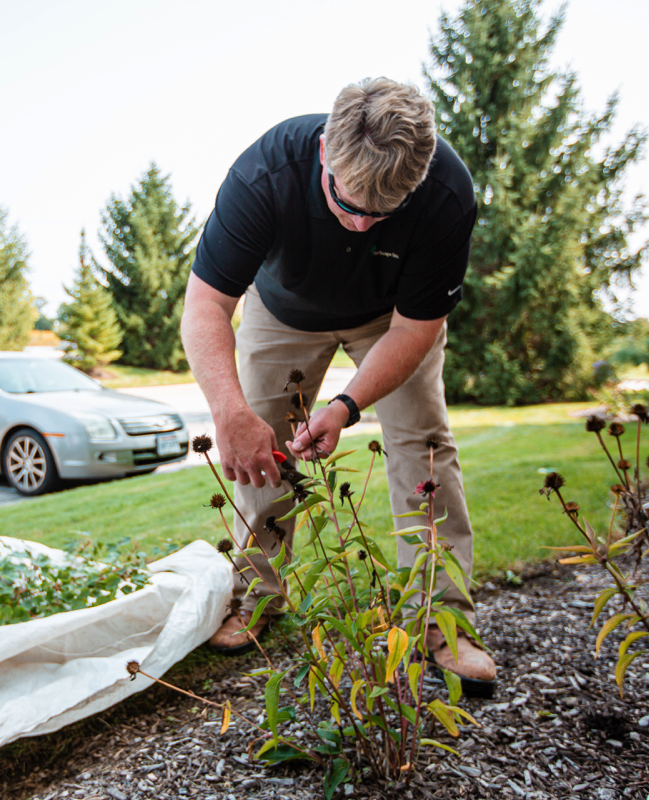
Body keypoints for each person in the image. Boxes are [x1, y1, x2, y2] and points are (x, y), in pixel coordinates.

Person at [180, 77, 496, 692]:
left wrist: (347, 405)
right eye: (346, 204)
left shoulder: (447, 194)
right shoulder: (266, 172)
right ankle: (257, 594)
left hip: (391, 320)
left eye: (380, 215)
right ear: (325, 152)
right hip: (283, 313)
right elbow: (204, 307)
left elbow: (416, 326)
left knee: (423, 443)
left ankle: (443, 619)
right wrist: (229, 411)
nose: (359, 225)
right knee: (260, 452)